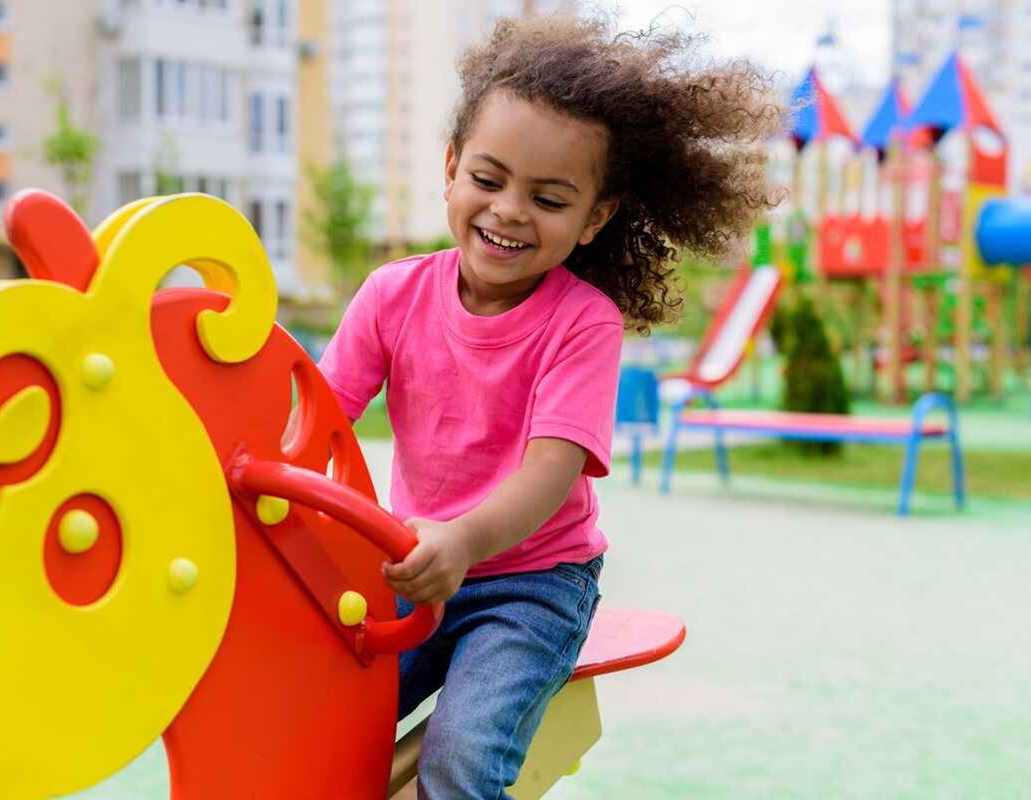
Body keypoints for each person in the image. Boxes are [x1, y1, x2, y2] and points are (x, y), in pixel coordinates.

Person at [316, 13, 781, 799]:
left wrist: (462, 541)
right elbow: (317, 418)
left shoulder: (581, 323)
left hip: (530, 585)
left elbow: (548, 470)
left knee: (460, 757)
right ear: (452, 167)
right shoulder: (391, 294)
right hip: (419, 563)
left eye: (549, 198)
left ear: (594, 218)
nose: (508, 212)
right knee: (316, 711)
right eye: (489, 181)